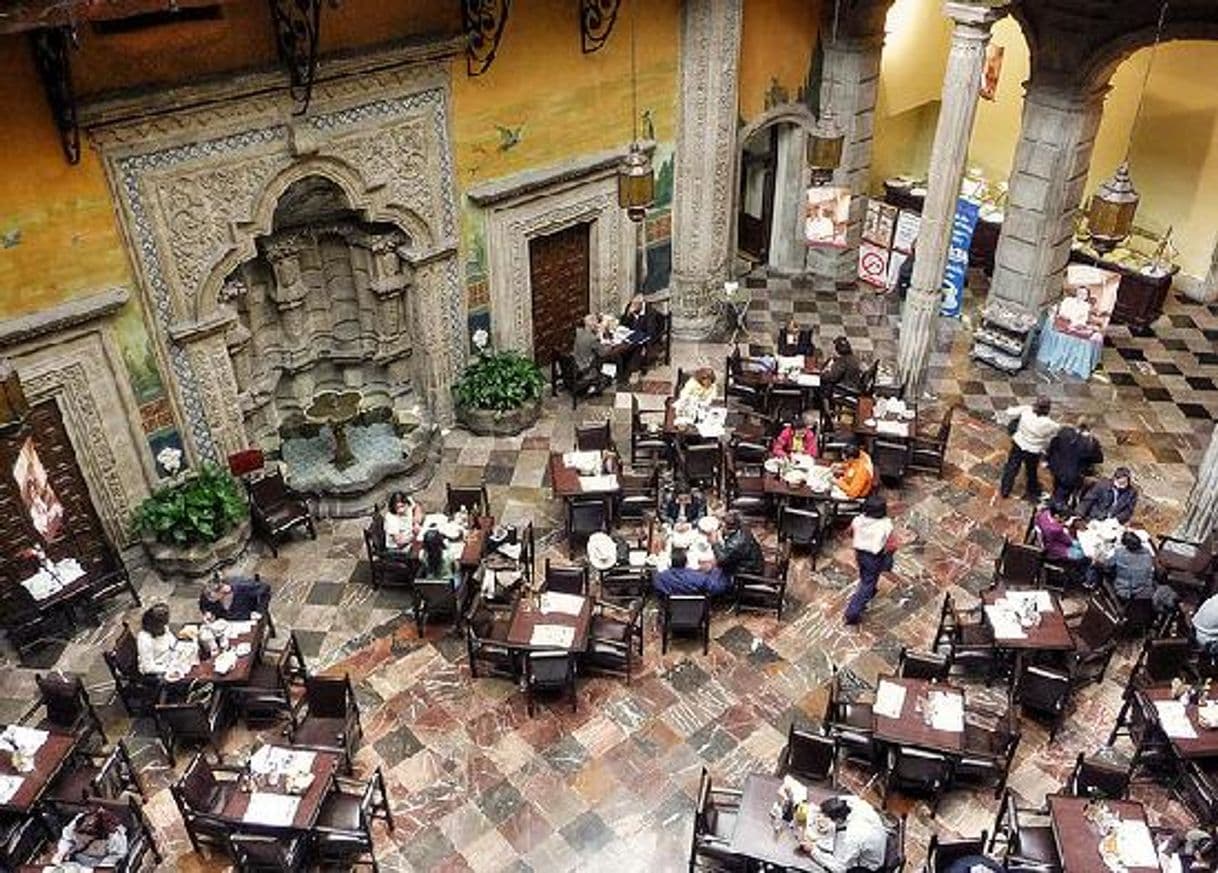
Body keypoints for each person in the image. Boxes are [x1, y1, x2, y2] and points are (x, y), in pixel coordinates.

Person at [799, 795, 888, 873]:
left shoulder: (853, 836)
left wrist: (813, 851)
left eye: (826, 817)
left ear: (838, 820)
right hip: (873, 840)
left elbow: (840, 868)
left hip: (868, 867)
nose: (820, 820)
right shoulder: (849, 801)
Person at [844, 495, 893, 625]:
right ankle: (852, 612)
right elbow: (891, 544)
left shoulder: (858, 520)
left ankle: (869, 592)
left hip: (860, 553)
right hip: (874, 556)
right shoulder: (885, 524)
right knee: (868, 582)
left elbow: (849, 532)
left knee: (865, 575)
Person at [998, 398, 1060, 500]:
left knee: (1011, 467)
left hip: (1019, 443)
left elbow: (1010, 412)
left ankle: (1005, 489)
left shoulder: (1027, 410)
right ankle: (1032, 490)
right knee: (1031, 470)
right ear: (1047, 410)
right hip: (1033, 450)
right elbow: (1057, 430)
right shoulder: (1049, 424)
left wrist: (1010, 408)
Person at [1045, 418, 1104, 503]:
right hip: (1072, 474)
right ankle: (1055, 508)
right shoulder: (1090, 443)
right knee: (1063, 495)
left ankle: (1054, 500)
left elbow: (1053, 446)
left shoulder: (1064, 431)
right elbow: (1098, 459)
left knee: (1057, 486)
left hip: (1056, 467)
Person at [652, 548, 730, 597]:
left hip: (671, 614)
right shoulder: (698, 578)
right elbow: (717, 588)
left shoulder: (660, 578)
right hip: (695, 614)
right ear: (686, 562)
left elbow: (659, 593)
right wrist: (715, 570)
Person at [711, 512, 764, 581]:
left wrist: (714, 543)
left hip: (748, 571)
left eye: (721, 526)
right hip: (752, 563)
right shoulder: (742, 529)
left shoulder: (737, 542)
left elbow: (722, 560)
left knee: (711, 569)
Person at [199, 574, 271, 621]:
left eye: (212, 597)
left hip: (245, 620)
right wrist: (207, 613)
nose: (209, 599)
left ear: (222, 589)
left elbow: (265, 589)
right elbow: (203, 605)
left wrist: (259, 611)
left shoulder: (242, 587)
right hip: (224, 625)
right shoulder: (207, 594)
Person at [1108, 531, 1155, 601]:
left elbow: (1108, 565)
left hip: (1127, 592)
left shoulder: (1120, 553)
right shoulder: (1147, 552)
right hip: (1146, 589)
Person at [136, 603, 177, 676]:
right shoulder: (145, 640)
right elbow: (148, 668)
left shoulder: (164, 627)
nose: (165, 627)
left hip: (170, 659)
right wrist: (169, 669)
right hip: (157, 670)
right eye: (161, 625)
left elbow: (172, 643)